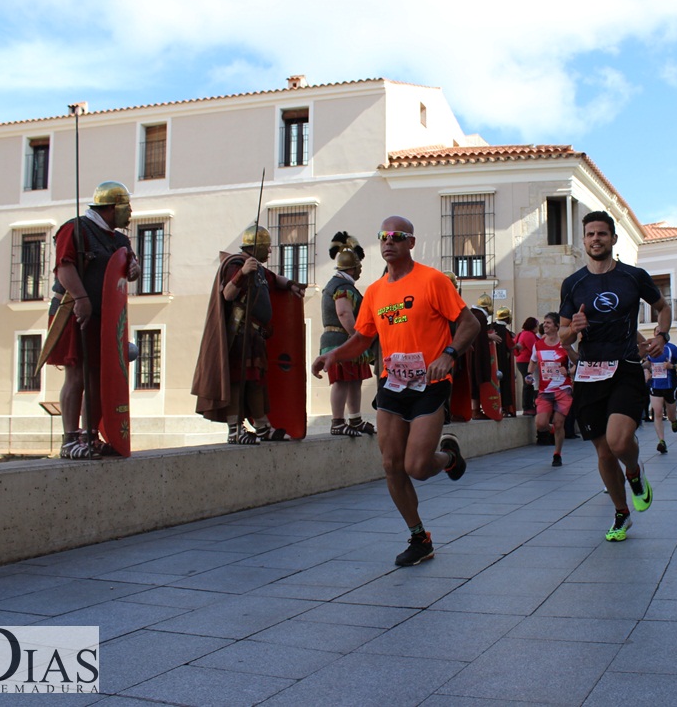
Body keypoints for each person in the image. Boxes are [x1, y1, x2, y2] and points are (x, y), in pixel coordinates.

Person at [311, 217, 479, 567]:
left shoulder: (432, 280)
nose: (389, 242)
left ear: (411, 242)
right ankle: (419, 537)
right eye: (383, 237)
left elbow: (469, 324)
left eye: (397, 237)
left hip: (430, 383)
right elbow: (361, 339)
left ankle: (448, 457)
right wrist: (332, 355)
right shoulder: (373, 292)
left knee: (417, 466)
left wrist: (449, 355)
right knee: (391, 465)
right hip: (392, 382)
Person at [559, 211, 671, 542]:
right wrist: (572, 330)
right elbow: (562, 335)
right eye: (591, 234)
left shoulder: (634, 276)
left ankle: (634, 473)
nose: (596, 239)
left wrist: (661, 335)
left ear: (613, 239)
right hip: (589, 373)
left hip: (626, 366)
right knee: (604, 453)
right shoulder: (573, 283)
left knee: (619, 441)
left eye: (602, 234)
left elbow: (662, 307)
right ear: (584, 241)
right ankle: (622, 513)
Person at [45, 181, 140, 459]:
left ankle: (90, 435)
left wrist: (132, 270)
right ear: (111, 207)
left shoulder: (120, 240)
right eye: (126, 207)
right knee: (77, 375)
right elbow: (64, 266)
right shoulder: (75, 229)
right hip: (75, 310)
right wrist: (81, 299)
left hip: (105, 316)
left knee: (98, 377)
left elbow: (125, 271)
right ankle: (70, 439)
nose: (130, 213)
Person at [192, 224, 304, 444]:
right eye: (267, 247)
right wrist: (242, 273)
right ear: (257, 246)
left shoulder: (260, 269)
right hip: (239, 334)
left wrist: (291, 285)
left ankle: (262, 427)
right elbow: (227, 294)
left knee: (256, 382)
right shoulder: (235, 264)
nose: (270, 252)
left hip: (255, 336)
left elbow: (275, 279)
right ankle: (235, 429)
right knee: (237, 382)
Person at [320, 232, 374, 437]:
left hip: (346, 340)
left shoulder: (341, 284)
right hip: (340, 340)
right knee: (342, 381)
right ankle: (337, 421)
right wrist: (357, 336)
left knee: (354, 380)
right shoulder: (341, 287)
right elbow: (343, 313)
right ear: (353, 267)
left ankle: (355, 419)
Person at [528, 312, 576, 466]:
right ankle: (554, 431)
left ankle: (557, 454)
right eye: (544, 322)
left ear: (556, 326)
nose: (545, 325)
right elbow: (533, 361)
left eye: (548, 323)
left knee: (559, 422)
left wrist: (568, 371)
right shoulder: (538, 344)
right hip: (544, 390)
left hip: (563, 389)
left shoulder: (565, 344)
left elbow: (578, 362)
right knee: (541, 424)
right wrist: (529, 375)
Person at [645, 329, 677, 454]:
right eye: (656, 332)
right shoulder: (651, 348)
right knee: (657, 413)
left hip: (669, 386)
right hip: (656, 385)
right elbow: (648, 362)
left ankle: (673, 420)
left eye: (660, 332)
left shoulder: (672, 348)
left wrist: (672, 366)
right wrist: (641, 367)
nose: (657, 334)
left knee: (670, 414)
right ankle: (661, 441)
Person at [493, 307, 517, 417]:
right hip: (503, 363)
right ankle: (505, 408)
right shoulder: (504, 331)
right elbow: (510, 346)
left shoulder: (491, 327)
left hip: (492, 364)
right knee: (504, 386)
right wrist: (518, 344)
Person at [515, 316, 539, 416]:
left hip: (523, 361)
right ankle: (527, 407)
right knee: (528, 384)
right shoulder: (528, 335)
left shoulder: (525, 334)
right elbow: (534, 348)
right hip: (525, 362)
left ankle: (528, 406)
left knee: (528, 383)